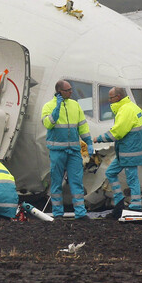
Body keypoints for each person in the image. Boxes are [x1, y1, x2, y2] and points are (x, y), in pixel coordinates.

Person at [42, 80, 93, 219]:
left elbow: (82, 126)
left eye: (71, 89)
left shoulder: (75, 105)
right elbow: (48, 124)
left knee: (76, 182)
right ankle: (58, 213)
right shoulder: (48, 106)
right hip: (57, 151)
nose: (71, 92)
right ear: (60, 92)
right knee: (56, 182)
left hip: (74, 151)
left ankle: (80, 213)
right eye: (68, 90)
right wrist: (56, 109)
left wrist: (88, 142)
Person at [95, 87, 142, 219]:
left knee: (132, 178)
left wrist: (98, 139)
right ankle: (119, 202)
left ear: (118, 97)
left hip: (130, 152)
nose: (109, 100)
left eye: (111, 98)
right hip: (125, 152)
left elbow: (117, 133)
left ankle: (135, 207)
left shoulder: (126, 110)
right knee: (110, 172)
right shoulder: (130, 107)